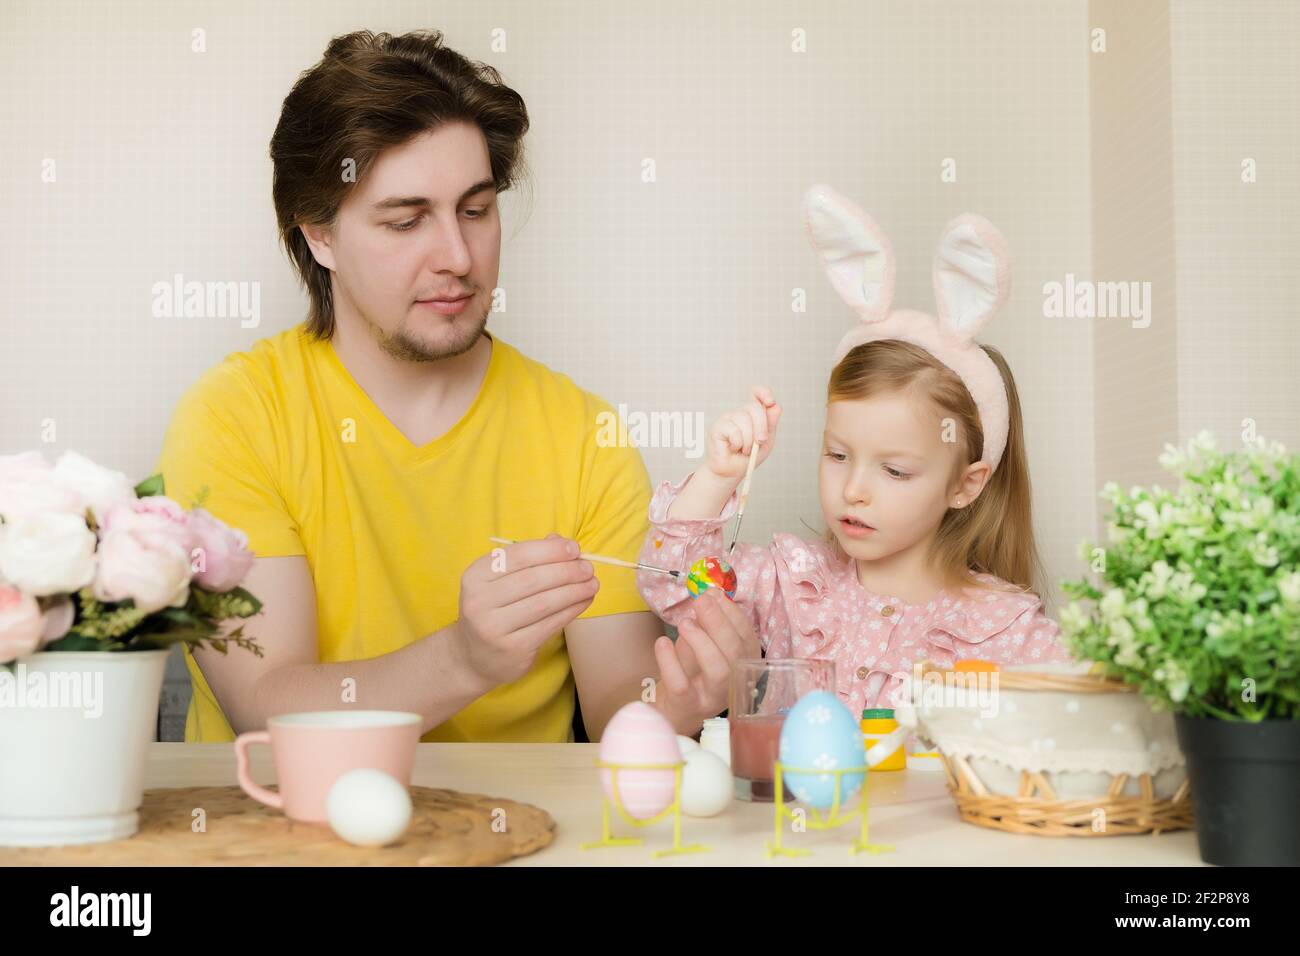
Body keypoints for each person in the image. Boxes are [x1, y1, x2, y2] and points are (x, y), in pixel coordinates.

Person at [156, 30, 754, 744]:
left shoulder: (581, 433)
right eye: (406, 220)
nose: (458, 257)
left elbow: (618, 708)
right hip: (281, 837)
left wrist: (691, 691)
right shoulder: (234, 417)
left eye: (476, 210)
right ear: (318, 235)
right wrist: (463, 658)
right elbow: (267, 703)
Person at [637, 185, 1074, 715]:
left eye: (894, 470)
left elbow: (1079, 724)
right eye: (838, 455)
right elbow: (672, 582)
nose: (853, 490)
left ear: (965, 484)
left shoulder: (1005, 630)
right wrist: (718, 474)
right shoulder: (790, 586)